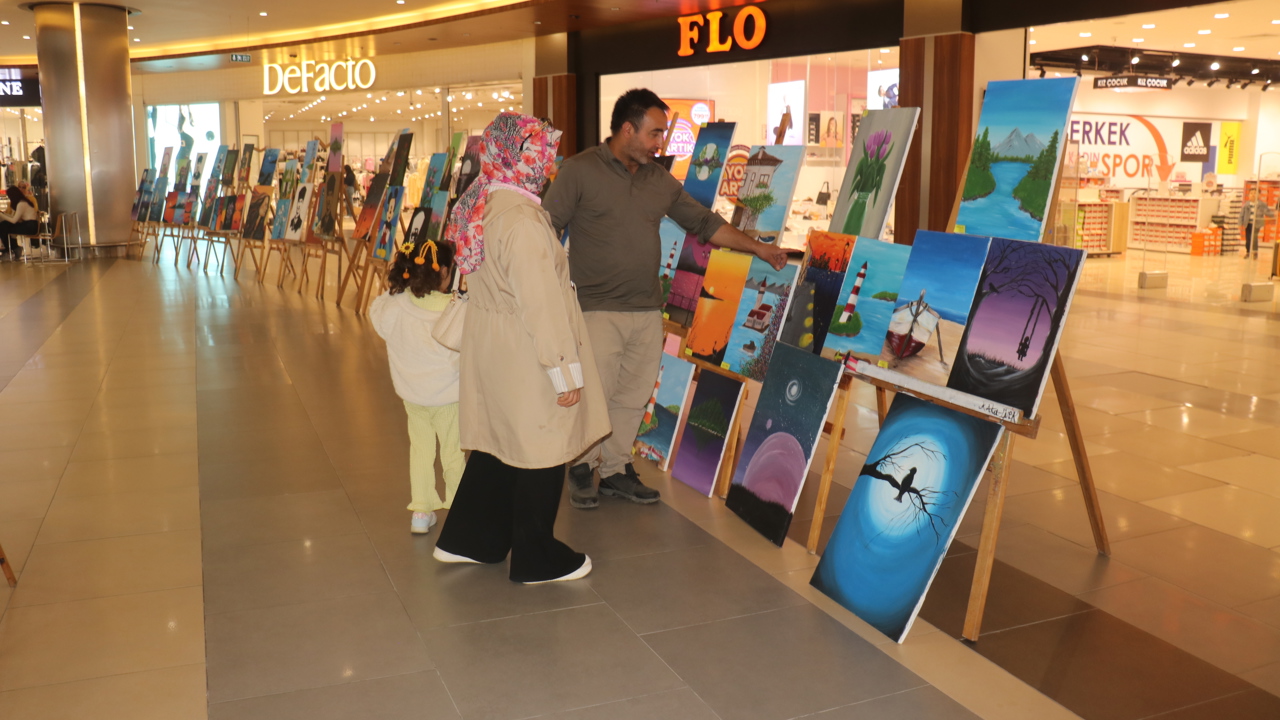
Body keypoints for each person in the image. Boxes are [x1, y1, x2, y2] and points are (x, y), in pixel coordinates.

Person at [544, 88, 788, 510]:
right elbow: (546, 229)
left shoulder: (658, 179)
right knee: (595, 395)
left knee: (633, 396)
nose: (661, 143)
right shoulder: (579, 171)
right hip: (595, 310)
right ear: (627, 129)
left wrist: (759, 248)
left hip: (646, 310)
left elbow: (705, 223)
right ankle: (582, 466)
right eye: (655, 133)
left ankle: (615, 469)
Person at [432, 112, 609, 584]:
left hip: (494, 344)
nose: (548, 165)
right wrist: (563, 370)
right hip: (528, 350)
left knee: (500, 442)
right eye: (540, 154)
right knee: (542, 446)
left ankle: (470, 538)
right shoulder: (523, 221)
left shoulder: (486, 202)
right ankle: (536, 557)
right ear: (518, 158)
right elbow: (541, 304)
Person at [369, 236, 465, 535]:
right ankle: (461, 512)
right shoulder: (454, 308)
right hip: (448, 398)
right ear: (445, 272)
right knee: (452, 453)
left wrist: (397, 290)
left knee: (421, 450)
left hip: (413, 396)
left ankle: (421, 513)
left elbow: (377, 310)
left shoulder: (396, 305)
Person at [0, 185, 38, 260]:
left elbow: (14, 220)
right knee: (4, 225)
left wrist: (1, 215)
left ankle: (9, 250)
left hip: (30, 226)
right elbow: (14, 218)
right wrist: (3, 214)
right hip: (30, 225)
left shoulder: (21, 204)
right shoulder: (23, 202)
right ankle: (13, 248)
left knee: (3, 227)